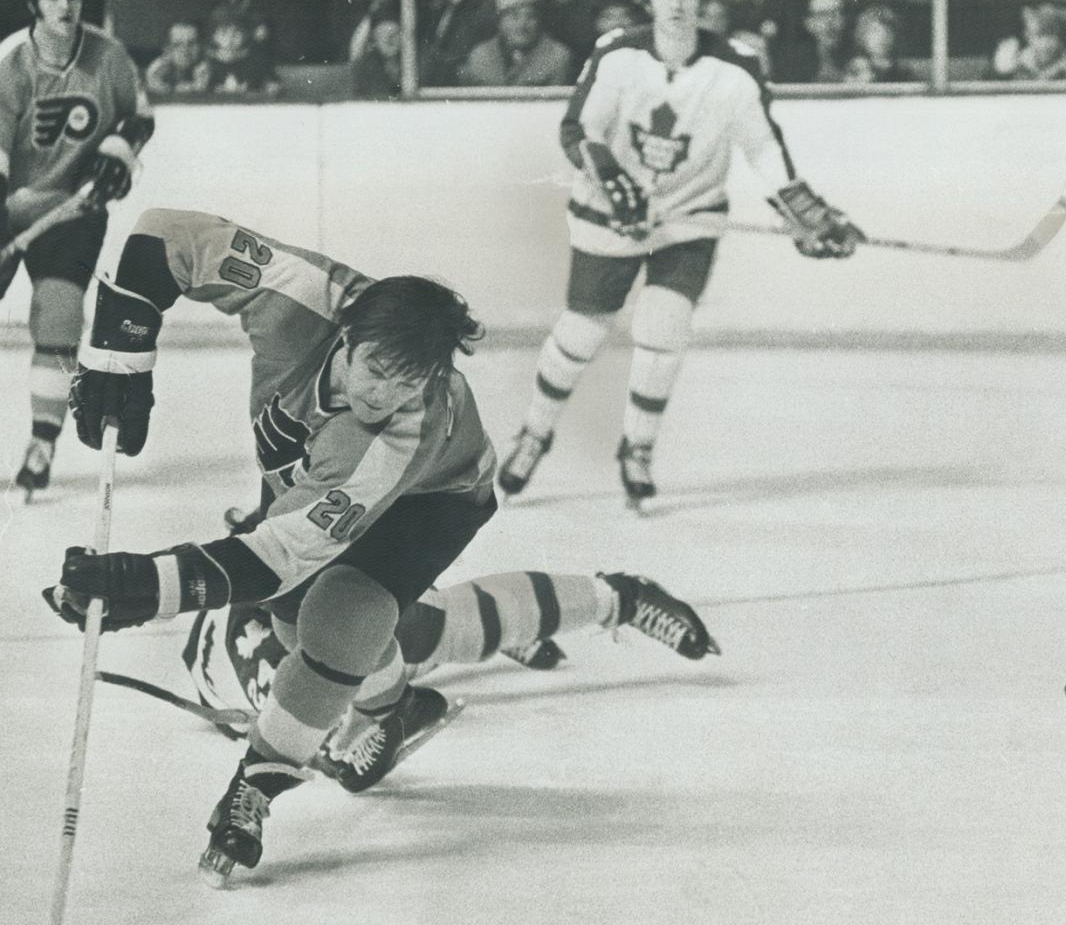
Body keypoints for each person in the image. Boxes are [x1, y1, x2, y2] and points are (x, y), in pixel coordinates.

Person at [43, 206, 720, 885]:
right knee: (378, 634)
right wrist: (121, 355)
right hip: (303, 494)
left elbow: (280, 556)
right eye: (376, 370)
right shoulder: (298, 292)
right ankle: (398, 705)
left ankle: (257, 784)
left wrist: (142, 586)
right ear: (345, 334)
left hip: (434, 499)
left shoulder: (402, 430)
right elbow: (165, 237)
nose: (385, 395)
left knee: (344, 621)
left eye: (411, 380)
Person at [496, 0, 864, 505]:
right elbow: (580, 129)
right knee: (581, 334)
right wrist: (611, 177)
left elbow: (764, 148)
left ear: (703, 0)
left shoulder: (735, 68)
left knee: (663, 333)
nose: (676, 5)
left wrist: (804, 212)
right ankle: (536, 432)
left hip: (690, 218)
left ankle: (638, 449)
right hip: (609, 216)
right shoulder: (618, 54)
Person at [182, 564, 720, 735]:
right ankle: (504, 630)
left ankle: (618, 597)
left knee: (424, 626)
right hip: (269, 621)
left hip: (304, 610)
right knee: (383, 654)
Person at [0, 0, 153, 498]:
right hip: (9, 206)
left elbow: (139, 117)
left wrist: (119, 151)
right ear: (33, 6)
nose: (67, 6)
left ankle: (41, 443)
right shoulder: (10, 66)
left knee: (59, 317)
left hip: (75, 213)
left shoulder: (108, 57)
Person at [457, 0, 574, 88]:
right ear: (500, 22)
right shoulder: (480, 55)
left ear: (539, 21)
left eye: (531, 17)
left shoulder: (557, 56)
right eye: (514, 17)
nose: (522, 25)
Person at [145, 20, 211, 96]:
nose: (185, 50)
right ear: (166, 49)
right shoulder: (158, 68)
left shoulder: (210, 65)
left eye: (191, 44)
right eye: (177, 45)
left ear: (202, 46)